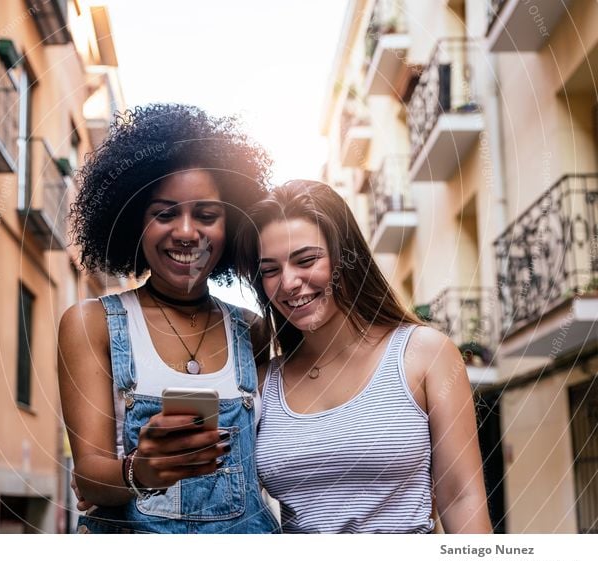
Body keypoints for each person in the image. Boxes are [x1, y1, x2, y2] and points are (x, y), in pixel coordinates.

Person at [58, 103, 280, 533]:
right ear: (134, 223)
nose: (185, 231)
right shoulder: (92, 323)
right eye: (164, 213)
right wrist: (138, 472)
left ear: (230, 226)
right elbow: (87, 476)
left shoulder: (252, 330)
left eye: (206, 215)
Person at [236, 179, 492, 534]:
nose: (288, 282)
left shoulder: (425, 354)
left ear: (345, 258)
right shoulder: (262, 383)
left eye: (306, 260)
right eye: (270, 270)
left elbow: (461, 498)